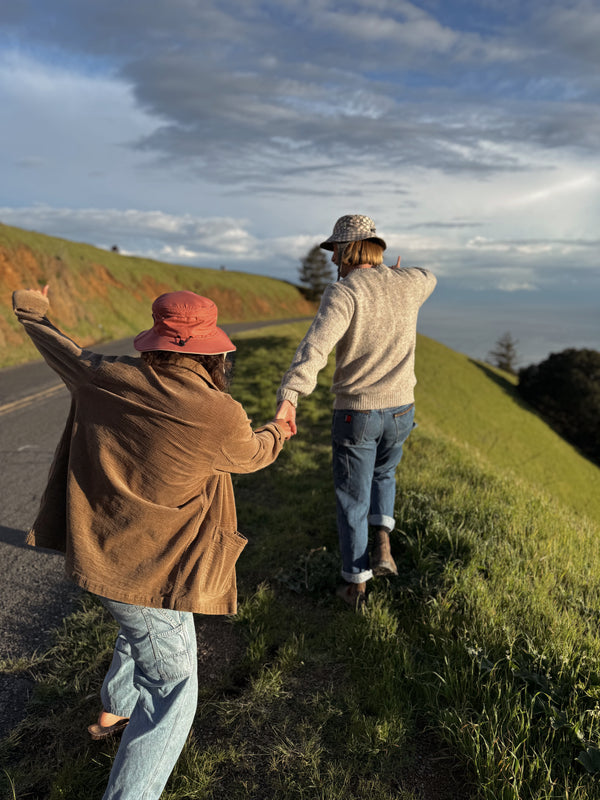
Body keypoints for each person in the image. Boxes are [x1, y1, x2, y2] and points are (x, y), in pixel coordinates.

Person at [12, 287, 292, 800]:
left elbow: (61, 349)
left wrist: (31, 307)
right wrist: (281, 428)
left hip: (103, 556)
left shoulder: (104, 375)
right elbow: (251, 455)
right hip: (152, 566)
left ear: (156, 340)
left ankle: (113, 710)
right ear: (210, 353)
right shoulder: (219, 413)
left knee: (143, 622)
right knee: (174, 692)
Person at [276, 215, 436, 609]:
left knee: (352, 499)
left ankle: (355, 586)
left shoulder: (344, 293)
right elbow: (429, 276)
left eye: (336, 252)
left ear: (348, 251)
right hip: (401, 410)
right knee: (385, 473)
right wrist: (396, 274)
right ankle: (382, 539)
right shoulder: (409, 283)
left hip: (357, 414)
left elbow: (315, 348)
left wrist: (290, 396)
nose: (333, 261)